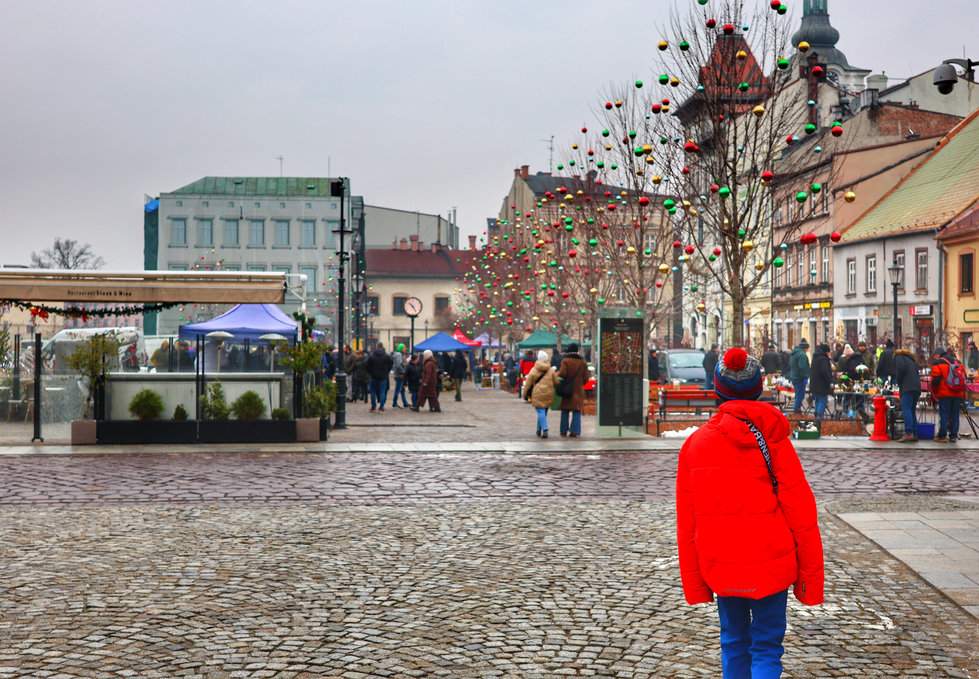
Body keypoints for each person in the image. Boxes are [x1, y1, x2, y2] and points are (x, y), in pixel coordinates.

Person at [676, 347, 824, 678]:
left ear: (717, 390)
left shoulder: (696, 444)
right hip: (772, 560)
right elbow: (801, 513)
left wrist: (696, 583)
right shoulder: (775, 440)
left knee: (733, 641)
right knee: (767, 647)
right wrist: (810, 578)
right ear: (758, 389)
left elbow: (688, 522)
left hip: (721, 561)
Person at [932, 348, 967, 442]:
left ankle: (942, 435)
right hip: (957, 393)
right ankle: (953, 435)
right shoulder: (958, 363)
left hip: (945, 393)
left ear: (938, 355)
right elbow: (964, 378)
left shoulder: (938, 363)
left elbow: (936, 380)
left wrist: (934, 393)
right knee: (955, 415)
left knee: (944, 414)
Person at [522, 350, 558, 438]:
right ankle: (538, 429)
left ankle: (545, 429)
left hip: (537, 394)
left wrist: (524, 394)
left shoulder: (534, 370)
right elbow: (556, 382)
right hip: (549, 394)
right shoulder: (551, 370)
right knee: (543, 412)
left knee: (540, 411)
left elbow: (528, 384)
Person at [557, 343, 587, 438]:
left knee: (565, 411)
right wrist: (580, 383)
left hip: (567, 389)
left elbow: (562, 374)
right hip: (578, 390)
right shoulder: (583, 362)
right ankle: (575, 431)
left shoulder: (565, 361)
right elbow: (586, 377)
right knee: (577, 411)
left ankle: (563, 431)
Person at [893, 347, 922, 442]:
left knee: (906, 410)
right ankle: (914, 433)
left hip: (907, 387)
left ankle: (908, 433)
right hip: (916, 387)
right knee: (912, 410)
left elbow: (900, 371)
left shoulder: (898, 357)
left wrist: (899, 382)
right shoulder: (911, 360)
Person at [366, 343, 393, 412]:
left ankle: (373, 406)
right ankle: (381, 406)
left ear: (376, 347)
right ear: (382, 347)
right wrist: (387, 371)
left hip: (373, 376)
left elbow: (367, 365)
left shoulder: (372, 356)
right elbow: (391, 364)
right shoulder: (386, 356)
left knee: (373, 392)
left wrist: (371, 372)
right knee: (382, 391)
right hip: (383, 376)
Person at [809, 344, 834, 420]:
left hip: (814, 383)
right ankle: (819, 418)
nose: (829, 353)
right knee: (822, 400)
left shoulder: (815, 358)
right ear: (826, 351)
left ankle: (816, 415)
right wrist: (830, 381)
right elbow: (825, 372)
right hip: (822, 384)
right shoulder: (823, 359)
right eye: (829, 352)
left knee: (817, 400)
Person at [787, 339, 811, 414]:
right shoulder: (802, 355)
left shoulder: (794, 354)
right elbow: (803, 367)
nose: (808, 350)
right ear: (805, 348)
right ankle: (796, 411)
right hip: (800, 378)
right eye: (807, 348)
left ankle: (797, 410)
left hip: (794, 377)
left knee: (798, 394)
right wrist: (806, 376)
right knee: (800, 395)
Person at [391, 343, 408, 408]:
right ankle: (394, 402)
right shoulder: (398, 355)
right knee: (398, 389)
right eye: (404, 348)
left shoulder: (400, 354)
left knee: (402, 389)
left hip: (399, 374)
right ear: (401, 348)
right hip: (400, 375)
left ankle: (405, 402)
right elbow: (398, 365)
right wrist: (404, 371)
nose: (405, 349)